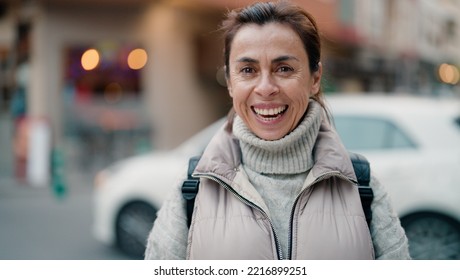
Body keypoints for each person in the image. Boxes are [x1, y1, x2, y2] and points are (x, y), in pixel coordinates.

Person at [145, 1, 410, 260]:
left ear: (315, 79)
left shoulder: (361, 185)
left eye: (284, 69)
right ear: (230, 82)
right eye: (247, 70)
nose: (265, 88)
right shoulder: (192, 188)